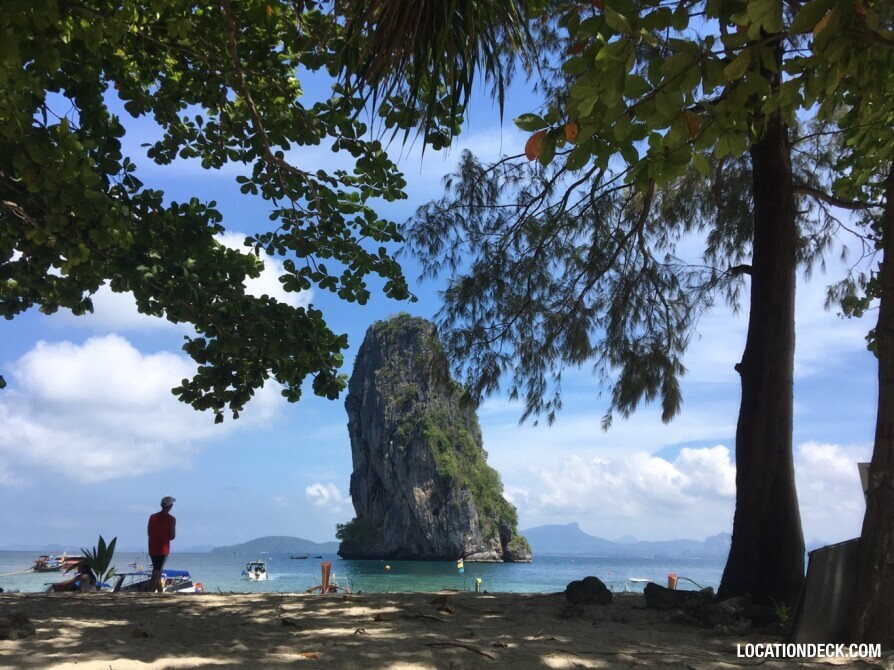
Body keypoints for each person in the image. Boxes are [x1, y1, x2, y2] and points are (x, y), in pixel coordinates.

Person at [147, 496, 176, 592]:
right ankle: (149, 593)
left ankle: (160, 592)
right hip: (163, 549)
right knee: (156, 572)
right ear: (170, 506)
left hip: (152, 547)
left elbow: (149, 532)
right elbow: (172, 536)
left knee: (158, 570)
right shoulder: (171, 519)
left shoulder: (152, 517)